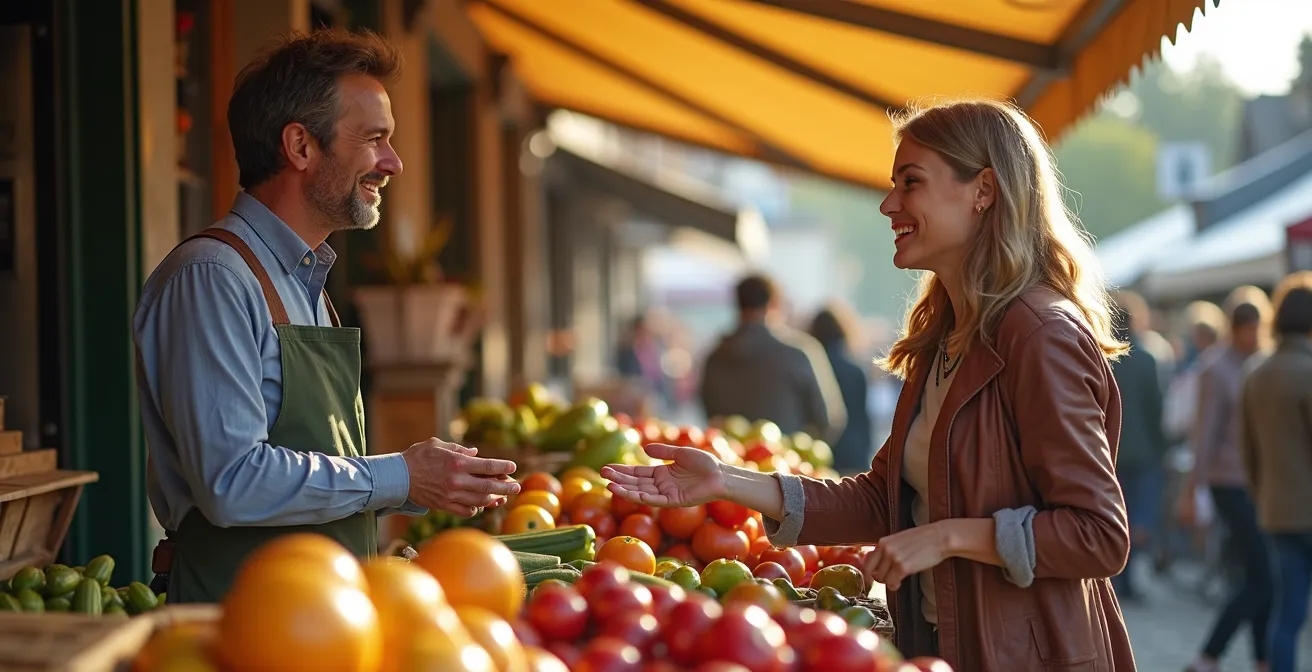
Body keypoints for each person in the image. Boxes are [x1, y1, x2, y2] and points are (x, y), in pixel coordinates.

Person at [606, 99, 1135, 669]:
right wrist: (727, 481)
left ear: (983, 190)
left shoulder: (1039, 335)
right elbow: (885, 499)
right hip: (944, 645)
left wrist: (947, 536)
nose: (888, 205)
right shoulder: (946, 337)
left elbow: (1099, 534)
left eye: (910, 183)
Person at [133, 29, 520, 604]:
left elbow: (318, 470)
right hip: (244, 627)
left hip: (324, 618)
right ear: (301, 146)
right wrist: (400, 475)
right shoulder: (213, 278)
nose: (394, 162)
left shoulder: (307, 283)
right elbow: (231, 482)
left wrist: (425, 482)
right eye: (375, 139)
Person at [1181, 287, 1274, 672]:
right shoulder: (1215, 367)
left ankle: (1259, 659)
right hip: (1227, 480)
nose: (1251, 335)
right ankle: (1210, 655)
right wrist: (1192, 489)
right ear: (1234, 328)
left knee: (1259, 575)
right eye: (1245, 328)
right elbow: (1204, 432)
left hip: (1261, 482)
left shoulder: (1265, 363)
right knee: (1264, 575)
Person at [1239, 272, 1312, 672]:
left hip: (1276, 510)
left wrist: (1261, 494)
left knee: (1287, 612)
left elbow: (1247, 450)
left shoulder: (1257, 372)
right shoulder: (1308, 370)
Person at [700, 274, 846, 440]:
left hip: (726, 459)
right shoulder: (798, 352)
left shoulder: (714, 357)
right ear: (773, 304)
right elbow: (828, 420)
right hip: (786, 461)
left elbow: (710, 415)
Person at [1108, 291, 1169, 603]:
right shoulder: (1145, 359)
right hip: (1142, 449)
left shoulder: (1101, 356)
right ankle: (1128, 580)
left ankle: (1117, 581)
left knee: (1114, 516)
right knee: (1137, 518)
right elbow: (1156, 406)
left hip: (1108, 451)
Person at [807, 303, 874, 475]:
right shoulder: (856, 370)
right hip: (853, 453)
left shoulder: (811, 366)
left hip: (821, 454)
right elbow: (863, 418)